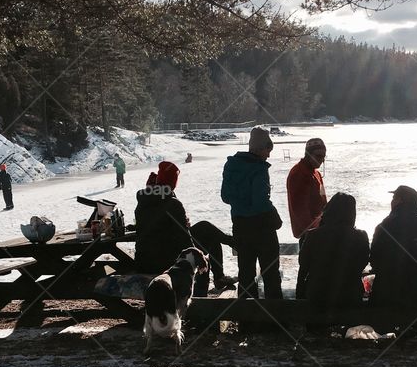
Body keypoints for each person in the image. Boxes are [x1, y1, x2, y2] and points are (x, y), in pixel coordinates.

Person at [134, 161, 236, 294]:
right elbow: (185, 240)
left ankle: (220, 276)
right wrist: (198, 256)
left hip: (144, 260)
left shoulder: (143, 201)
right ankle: (200, 299)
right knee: (205, 245)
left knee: (209, 236)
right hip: (164, 261)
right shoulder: (172, 204)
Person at [221, 127, 283, 299]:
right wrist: (275, 218)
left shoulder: (231, 165)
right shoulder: (259, 169)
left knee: (246, 273)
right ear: (260, 148)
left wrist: (242, 201)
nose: (268, 155)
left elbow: (225, 196)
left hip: (240, 225)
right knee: (270, 273)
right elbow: (261, 202)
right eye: (267, 150)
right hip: (262, 227)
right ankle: (276, 316)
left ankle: (248, 318)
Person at [369, 185, 417, 307]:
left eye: (394, 198)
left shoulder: (384, 226)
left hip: (388, 296)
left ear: (400, 201)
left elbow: (374, 261)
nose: (392, 201)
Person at [296, 193, 369, 308]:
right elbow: (362, 263)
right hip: (349, 297)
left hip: (318, 296)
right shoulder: (361, 236)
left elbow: (303, 265)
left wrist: (299, 293)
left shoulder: (312, 235)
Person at [286, 137, 328, 240]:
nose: (321, 160)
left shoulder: (316, 173)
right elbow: (299, 209)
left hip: (319, 230)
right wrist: (313, 232)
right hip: (309, 234)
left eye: (323, 156)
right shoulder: (298, 174)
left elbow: (323, 201)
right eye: (318, 156)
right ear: (308, 155)